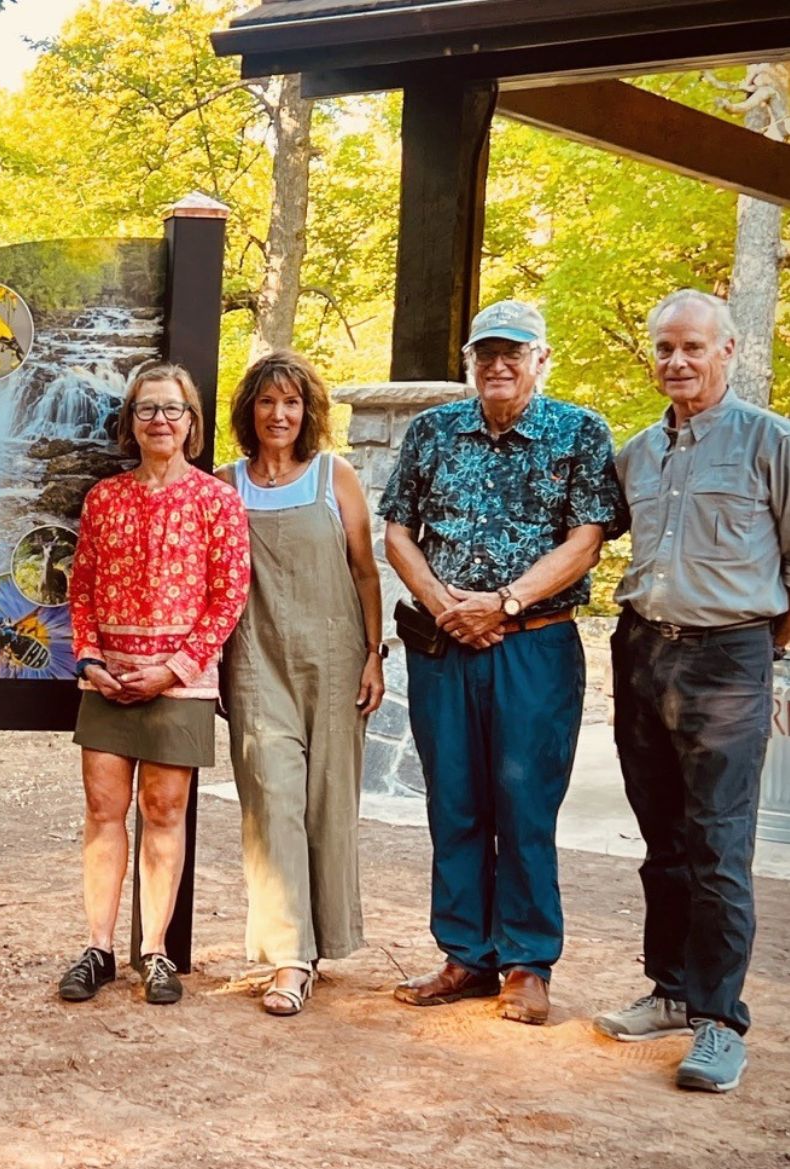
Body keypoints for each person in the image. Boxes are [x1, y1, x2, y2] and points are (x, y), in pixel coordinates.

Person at [381, 300, 618, 1025]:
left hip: (535, 646)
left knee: (523, 804)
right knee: (452, 799)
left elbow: (588, 537)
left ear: (541, 359)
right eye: (485, 353)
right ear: (469, 362)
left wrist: (506, 603)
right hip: (443, 646)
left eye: (514, 352)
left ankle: (525, 960)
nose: (498, 364)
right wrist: (445, 604)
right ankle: (464, 954)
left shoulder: (579, 431)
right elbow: (397, 527)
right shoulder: (432, 431)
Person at [596, 289, 790, 1094]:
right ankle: (670, 988)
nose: (677, 361)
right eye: (665, 348)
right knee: (664, 841)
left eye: (693, 348)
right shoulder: (638, 451)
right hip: (643, 651)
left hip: (729, 661)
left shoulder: (770, 441)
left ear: (729, 351)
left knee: (718, 845)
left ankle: (719, 1021)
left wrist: (764, 659)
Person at [58, 362, 250, 1006]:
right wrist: (89, 660)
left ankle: (156, 953)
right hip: (107, 682)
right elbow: (79, 588)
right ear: (131, 423)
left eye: (171, 410)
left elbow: (228, 597)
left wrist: (172, 669)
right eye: (146, 410)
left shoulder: (216, 500)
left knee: (164, 813)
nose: (159, 421)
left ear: (191, 423)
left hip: (180, 683)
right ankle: (97, 948)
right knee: (102, 812)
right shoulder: (103, 499)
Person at [216, 351, 384, 1016]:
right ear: (249, 412)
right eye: (267, 402)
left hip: (337, 655)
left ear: (307, 411)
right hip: (257, 658)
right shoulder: (226, 483)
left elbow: (366, 571)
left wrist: (375, 654)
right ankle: (289, 956)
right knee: (271, 799)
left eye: (291, 403)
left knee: (327, 802)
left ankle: (322, 940)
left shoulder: (332, 477)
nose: (279, 414)